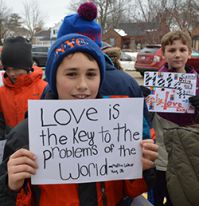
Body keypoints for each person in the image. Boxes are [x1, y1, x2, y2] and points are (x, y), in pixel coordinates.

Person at [0, 33, 158, 206]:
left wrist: (141, 169)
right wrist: (12, 187)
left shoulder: (119, 125)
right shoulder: (24, 136)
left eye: (91, 74)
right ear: (54, 79)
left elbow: (129, 192)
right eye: (71, 74)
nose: (83, 85)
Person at [152, 30, 199, 206]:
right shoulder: (155, 82)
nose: (177, 55)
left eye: (182, 49)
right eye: (172, 50)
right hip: (160, 154)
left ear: (189, 52)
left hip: (189, 157)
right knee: (156, 197)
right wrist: (141, 101)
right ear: (164, 53)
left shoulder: (198, 83)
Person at [0, 36, 47, 139]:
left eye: (16, 69)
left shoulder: (44, 89)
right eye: (7, 69)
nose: (12, 74)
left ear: (27, 67)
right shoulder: (1, 92)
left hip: (37, 143)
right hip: (10, 146)